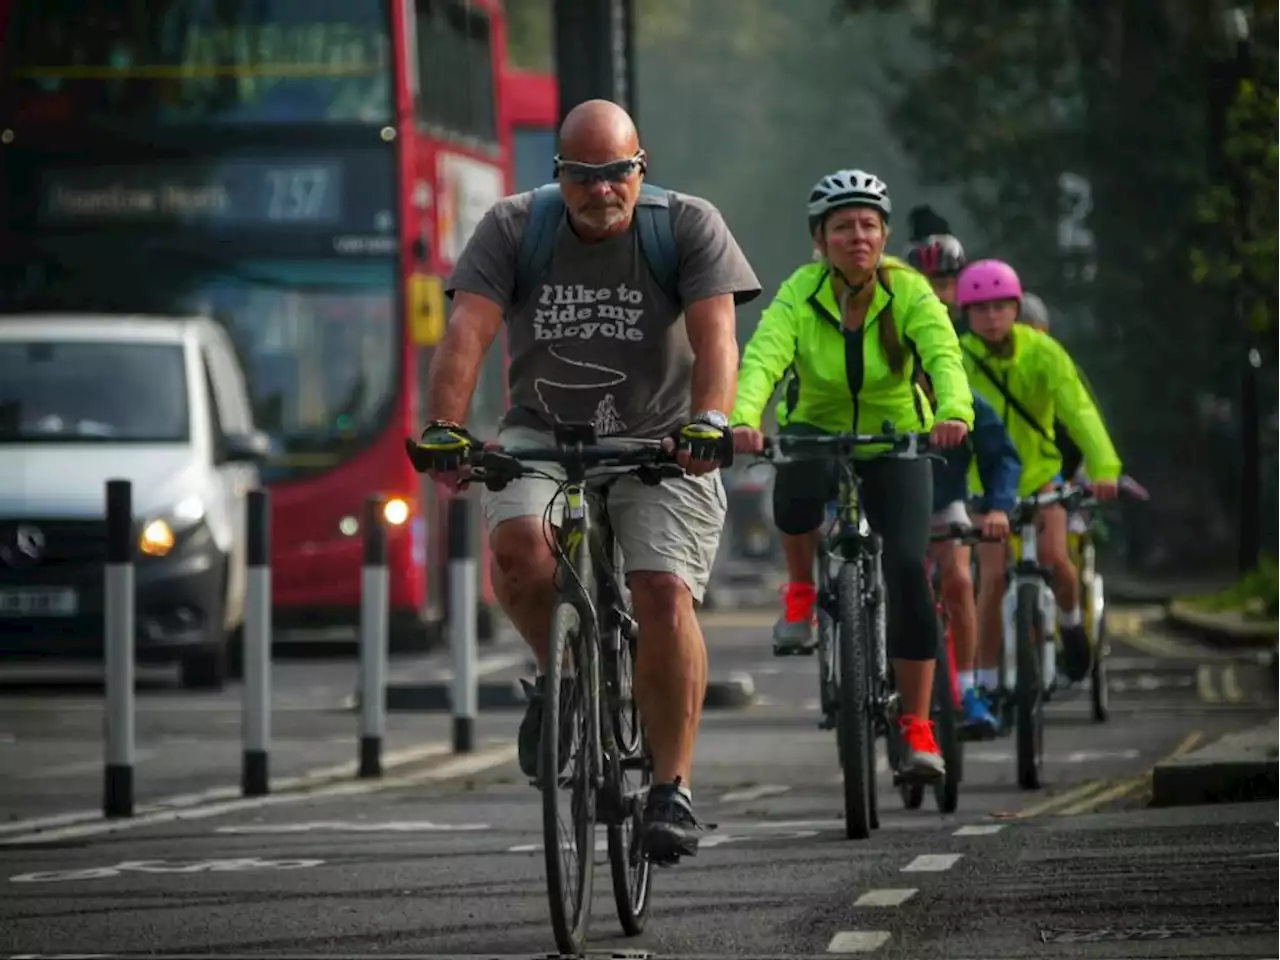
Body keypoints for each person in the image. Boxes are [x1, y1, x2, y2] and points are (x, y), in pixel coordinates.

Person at [410, 99, 761, 863]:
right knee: (517, 546)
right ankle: (563, 676)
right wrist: (446, 425)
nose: (602, 191)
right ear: (559, 175)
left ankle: (671, 789)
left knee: (663, 592)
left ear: (642, 169)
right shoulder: (513, 227)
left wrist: (709, 420)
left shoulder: (688, 225)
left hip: (663, 438)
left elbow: (716, 336)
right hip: (546, 431)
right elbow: (468, 328)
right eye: (583, 176)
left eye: (617, 174)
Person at [731, 168, 974, 781]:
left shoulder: (910, 291)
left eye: (868, 225)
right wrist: (741, 418)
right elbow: (763, 355)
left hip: (897, 435)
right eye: (842, 227)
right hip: (816, 426)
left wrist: (952, 412)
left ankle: (917, 728)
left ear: (884, 234)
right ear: (821, 239)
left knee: (908, 573)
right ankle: (801, 593)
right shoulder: (800, 291)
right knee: (793, 505)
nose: (857, 236)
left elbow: (943, 354)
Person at [955, 259, 1121, 685]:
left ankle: (1069, 621)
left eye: (1000, 307)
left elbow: (1079, 411)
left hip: (1041, 475)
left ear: (1016, 307)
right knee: (990, 581)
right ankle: (989, 683)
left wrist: (1104, 468)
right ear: (965, 314)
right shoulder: (956, 357)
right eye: (979, 309)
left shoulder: (1044, 352)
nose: (991, 318)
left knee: (1055, 558)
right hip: (985, 484)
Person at [919, 372, 1021, 736]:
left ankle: (967, 690)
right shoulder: (874, 393)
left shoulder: (964, 400)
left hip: (945, 504)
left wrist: (997, 508)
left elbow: (1002, 456)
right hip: (885, 506)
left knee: (960, 582)